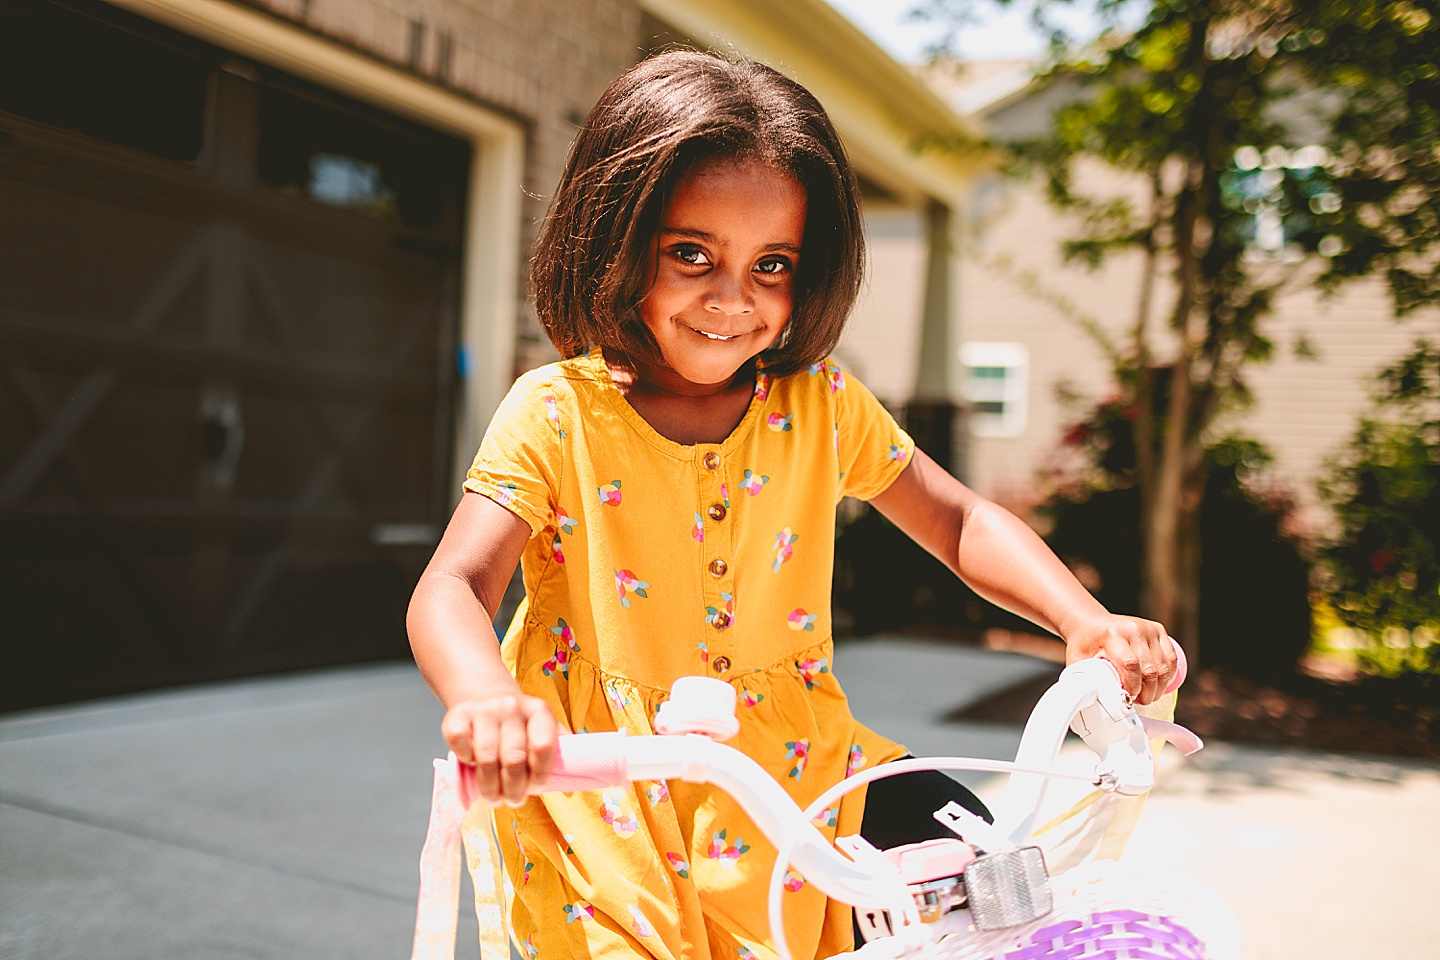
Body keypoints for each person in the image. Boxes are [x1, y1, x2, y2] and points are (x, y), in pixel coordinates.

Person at [407, 48, 1176, 960]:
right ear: (614, 239)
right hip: (612, 796)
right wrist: (488, 700)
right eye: (690, 254)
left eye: (772, 265)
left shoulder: (819, 406)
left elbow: (959, 519)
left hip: (808, 767)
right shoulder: (558, 412)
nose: (733, 300)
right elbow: (453, 584)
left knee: (980, 877)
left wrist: (1081, 621)